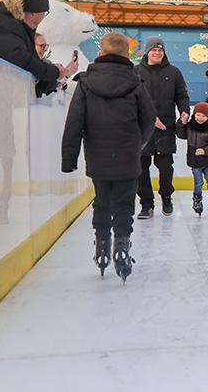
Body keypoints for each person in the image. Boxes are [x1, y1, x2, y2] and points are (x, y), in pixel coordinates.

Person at [61, 32, 156, 282]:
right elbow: (148, 120)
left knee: (102, 200)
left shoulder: (85, 83)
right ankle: (122, 245)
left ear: (100, 54)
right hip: (127, 155)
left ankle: (102, 243)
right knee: (124, 203)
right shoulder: (136, 83)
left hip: (98, 155)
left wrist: (68, 160)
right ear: (127, 55)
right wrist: (139, 143)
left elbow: (74, 123)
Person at [0, 0, 66, 96]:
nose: (43, 17)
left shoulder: (20, 29)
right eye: (44, 13)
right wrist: (54, 72)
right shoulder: (1, 24)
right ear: (33, 13)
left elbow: (33, 67)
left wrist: (52, 78)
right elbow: (23, 61)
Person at [135, 37, 190, 219]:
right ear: (147, 51)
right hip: (142, 129)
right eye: (154, 50)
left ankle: (166, 197)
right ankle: (146, 204)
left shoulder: (174, 72)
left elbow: (182, 95)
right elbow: (131, 99)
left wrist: (184, 111)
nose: (157, 53)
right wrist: (149, 119)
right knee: (141, 169)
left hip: (165, 128)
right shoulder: (136, 72)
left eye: (160, 50)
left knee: (166, 168)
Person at [176, 101, 208, 217]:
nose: (200, 118)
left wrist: (205, 150)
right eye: (198, 115)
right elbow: (180, 134)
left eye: (203, 116)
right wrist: (182, 123)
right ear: (194, 114)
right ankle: (197, 201)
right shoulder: (190, 126)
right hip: (194, 161)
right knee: (198, 183)